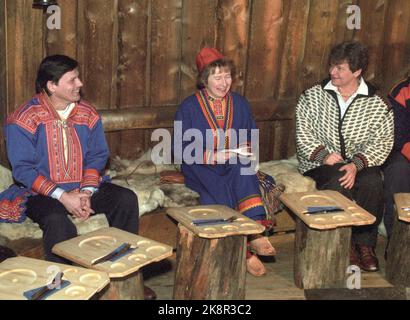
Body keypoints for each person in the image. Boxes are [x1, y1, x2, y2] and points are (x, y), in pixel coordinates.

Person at [0, 55, 156, 299]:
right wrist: (64, 197)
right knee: (56, 219)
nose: (80, 83)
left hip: (83, 185)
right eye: (72, 79)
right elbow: (23, 169)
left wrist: (86, 192)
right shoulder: (23, 119)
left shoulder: (87, 113)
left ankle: (124, 277)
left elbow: (97, 155)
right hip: (39, 192)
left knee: (125, 199)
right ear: (52, 86)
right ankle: (65, 289)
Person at [173, 47, 277, 277]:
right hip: (200, 164)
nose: (224, 82)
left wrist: (244, 151)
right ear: (204, 80)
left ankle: (255, 232)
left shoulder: (240, 103)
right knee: (216, 188)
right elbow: (180, 148)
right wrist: (214, 155)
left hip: (232, 159)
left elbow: (251, 134)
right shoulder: (188, 107)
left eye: (227, 76)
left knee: (244, 167)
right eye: (217, 77)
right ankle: (246, 251)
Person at [295, 41, 394, 272]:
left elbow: (382, 142)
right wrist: (323, 154)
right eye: (332, 66)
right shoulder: (313, 96)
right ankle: (345, 242)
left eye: (340, 69)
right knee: (338, 179)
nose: (333, 72)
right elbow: (303, 131)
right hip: (320, 162)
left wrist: (356, 164)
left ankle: (364, 244)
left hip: (362, 162)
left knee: (372, 182)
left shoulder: (377, 103)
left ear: (357, 72)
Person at [382, 76, 410, 240]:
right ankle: (397, 242)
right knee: (398, 169)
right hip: (403, 151)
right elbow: (398, 137)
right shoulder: (402, 91)